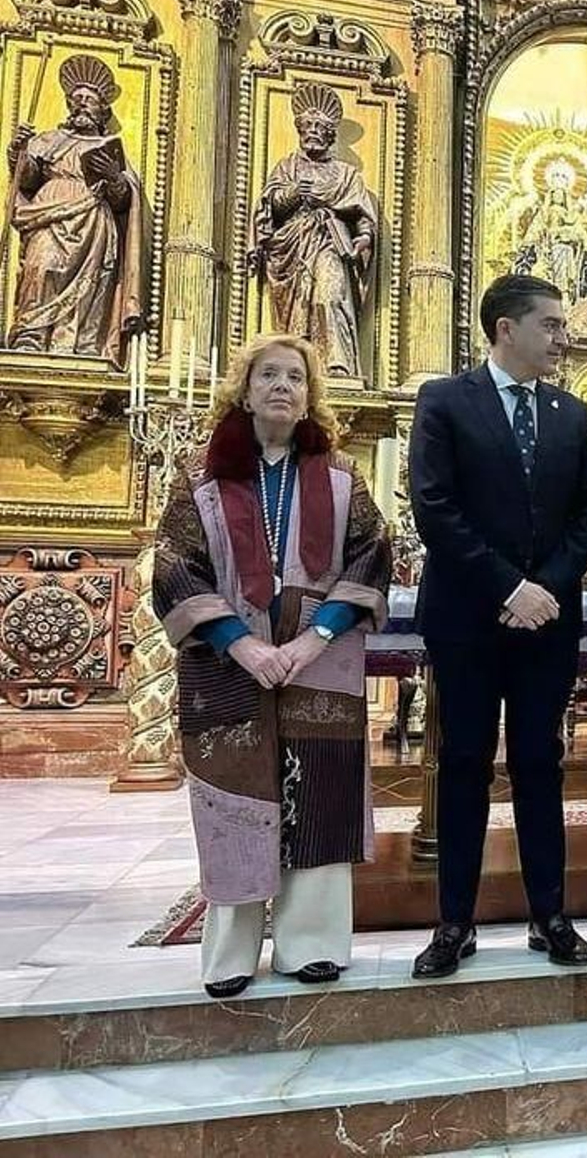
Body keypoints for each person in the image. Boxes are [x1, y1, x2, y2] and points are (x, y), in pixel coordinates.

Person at [153, 334, 391, 997]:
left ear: (312, 395)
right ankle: (230, 953)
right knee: (231, 797)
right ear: (245, 388)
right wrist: (242, 642)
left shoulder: (343, 479)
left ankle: (311, 944)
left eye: (295, 377)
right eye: (268, 375)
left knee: (319, 795)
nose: (282, 386)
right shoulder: (200, 477)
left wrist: (314, 636)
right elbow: (175, 567)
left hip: (319, 665)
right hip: (228, 666)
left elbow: (372, 558)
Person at [409, 274, 587, 976]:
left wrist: (545, 588)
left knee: (539, 764)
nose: (563, 336)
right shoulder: (443, 401)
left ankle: (549, 914)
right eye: (552, 324)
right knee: (463, 763)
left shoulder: (573, 414)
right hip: (468, 616)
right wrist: (509, 586)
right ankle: (453, 922)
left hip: (546, 622)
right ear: (505, 330)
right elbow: (433, 507)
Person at [5, 54, 147, 357]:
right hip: (48, 215)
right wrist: (19, 149)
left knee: (91, 283)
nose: (81, 103)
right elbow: (26, 178)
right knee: (40, 267)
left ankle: (79, 341)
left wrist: (113, 177)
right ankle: (30, 334)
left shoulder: (107, 149)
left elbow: (124, 201)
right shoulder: (50, 140)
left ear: (102, 109)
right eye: (76, 98)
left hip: (93, 222)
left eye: (89, 99)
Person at [252, 83, 379, 381]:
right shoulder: (287, 168)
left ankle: (337, 363)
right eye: (307, 128)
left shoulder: (346, 174)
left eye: (320, 129)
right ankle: (296, 368)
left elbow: (363, 216)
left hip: (329, 240)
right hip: (291, 247)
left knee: (329, 296)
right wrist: (293, 193)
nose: (313, 134)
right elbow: (270, 210)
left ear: (329, 135)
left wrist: (364, 237)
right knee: (298, 308)